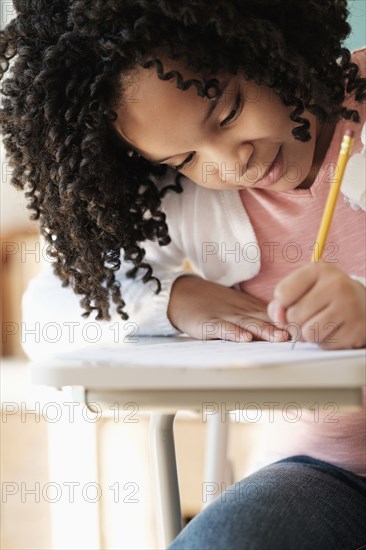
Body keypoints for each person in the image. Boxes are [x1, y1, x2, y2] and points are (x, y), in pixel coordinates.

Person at [1, 1, 365, 547]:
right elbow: (50, 309)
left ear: (266, 40)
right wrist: (174, 298)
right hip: (323, 473)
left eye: (229, 111)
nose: (228, 161)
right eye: (184, 158)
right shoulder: (192, 200)